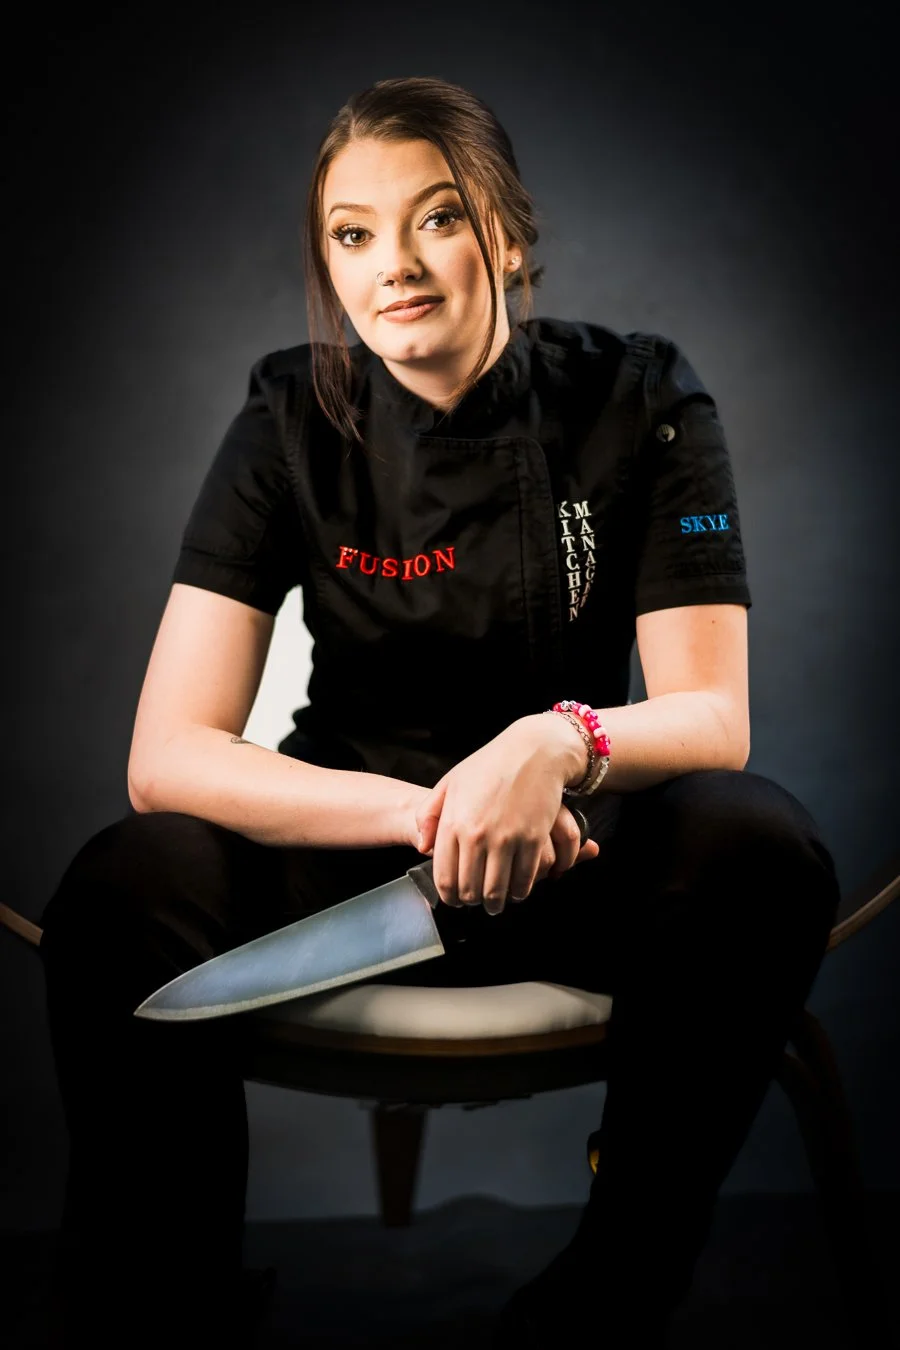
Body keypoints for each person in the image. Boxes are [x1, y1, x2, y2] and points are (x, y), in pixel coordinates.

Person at [38, 75, 841, 1348]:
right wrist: (430, 814)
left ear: (507, 237)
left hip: (577, 858)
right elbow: (168, 755)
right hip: (353, 856)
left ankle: (606, 1299)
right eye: (353, 233)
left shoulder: (640, 396)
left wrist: (553, 744)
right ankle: (170, 1316)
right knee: (119, 890)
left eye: (439, 218)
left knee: (761, 847)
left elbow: (711, 716)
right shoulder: (286, 417)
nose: (394, 265)